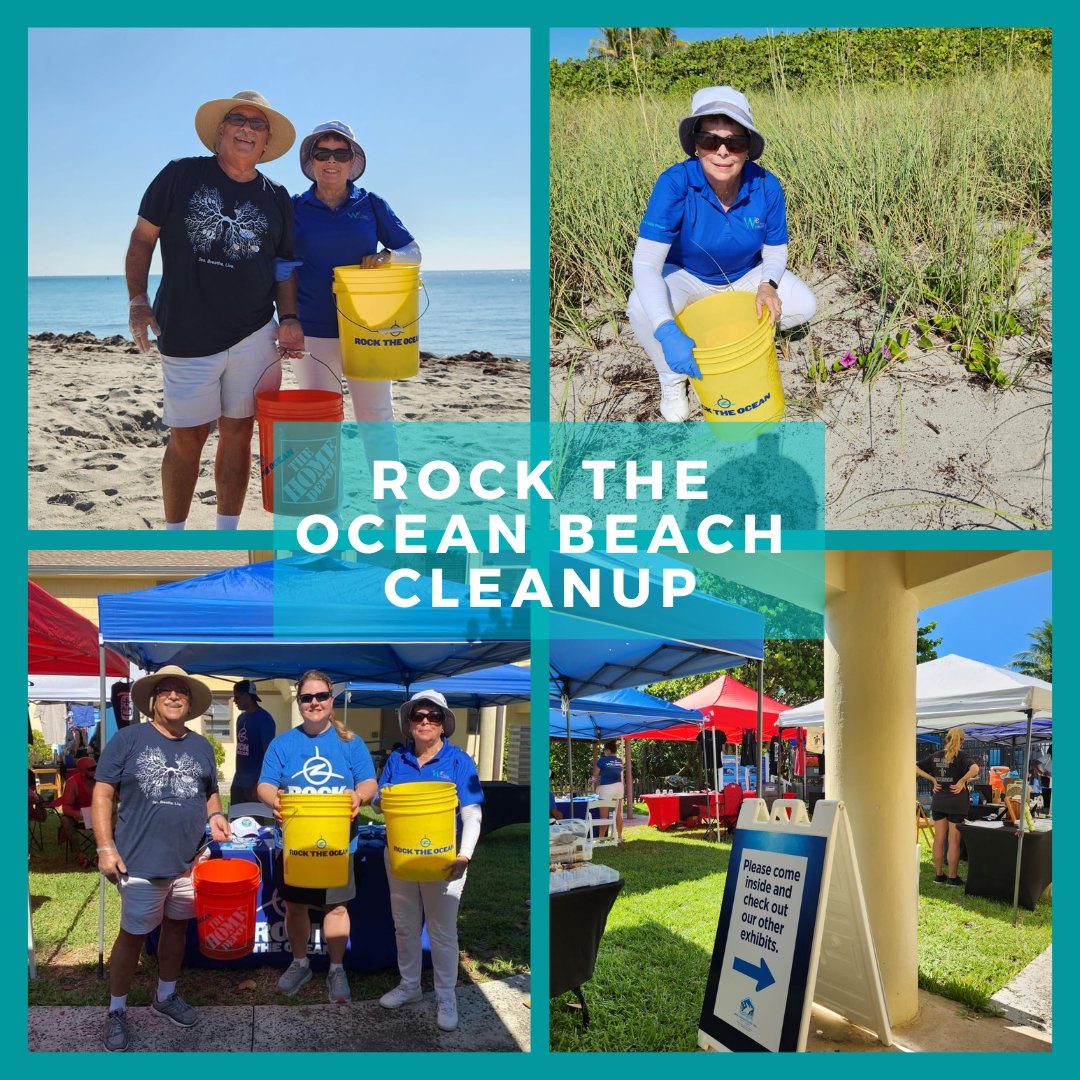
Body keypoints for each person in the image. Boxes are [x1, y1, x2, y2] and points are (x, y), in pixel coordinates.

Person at [125, 90, 303, 530]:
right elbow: (142, 240)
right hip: (186, 328)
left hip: (255, 333)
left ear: (265, 143)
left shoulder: (277, 196)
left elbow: (283, 266)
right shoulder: (180, 175)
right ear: (221, 130)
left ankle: (226, 536)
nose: (247, 128)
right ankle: (174, 538)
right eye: (238, 119)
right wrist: (137, 302)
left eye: (257, 124)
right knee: (187, 437)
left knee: (240, 432)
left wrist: (291, 319)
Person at [627, 86, 817, 422]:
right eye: (710, 140)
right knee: (641, 306)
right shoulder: (674, 183)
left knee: (803, 305)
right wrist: (666, 330)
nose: (723, 151)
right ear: (696, 146)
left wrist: (767, 284)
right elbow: (645, 263)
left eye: (736, 142)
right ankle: (671, 377)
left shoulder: (766, 185)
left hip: (746, 275)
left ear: (748, 150)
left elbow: (775, 249)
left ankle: (738, 341)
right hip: (689, 277)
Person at [92, 666, 230, 1052]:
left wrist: (216, 815)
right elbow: (103, 793)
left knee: (175, 929)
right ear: (153, 700)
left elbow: (210, 793)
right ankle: (117, 1010)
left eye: (181, 691)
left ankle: (165, 996)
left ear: (190, 702)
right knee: (133, 937)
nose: (174, 696)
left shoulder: (201, 746)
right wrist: (105, 846)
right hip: (139, 861)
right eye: (165, 690)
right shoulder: (128, 739)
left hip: (189, 860)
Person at [288, 121, 419, 493]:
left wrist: (387, 257)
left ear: (353, 161)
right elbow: (277, 266)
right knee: (319, 423)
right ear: (310, 161)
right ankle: (326, 513)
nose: (331, 161)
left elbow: (414, 253)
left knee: (376, 418)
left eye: (340, 154)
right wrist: (285, 320)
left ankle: (391, 512)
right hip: (314, 329)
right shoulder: (294, 208)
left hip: (368, 329)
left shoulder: (371, 204)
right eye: (322, 153)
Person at [257, 671, 377, 1004]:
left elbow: (369, 782)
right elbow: (264, 784)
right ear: (299, 701)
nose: (314, 703)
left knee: (336, 908)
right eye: (307, 697)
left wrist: (359, 797)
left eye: (321, 696)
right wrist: (273, 800)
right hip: (294, 845)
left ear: (331, 700)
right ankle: (300, 963)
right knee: (295, 906)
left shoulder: (350, 742)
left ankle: (336, 969)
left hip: (338, 846)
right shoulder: (283, 743)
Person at [377, 691, 483, 1032]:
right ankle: (410, 986)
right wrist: (381, 798)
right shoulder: (398, 760)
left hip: (444, 862)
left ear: (444, 724)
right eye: (418, 716)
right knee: (404, 925)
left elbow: (471, 813)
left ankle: (445, 995)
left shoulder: (458, 761)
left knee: (442, 930)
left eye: (433, 716)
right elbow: (380, 803)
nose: (425, 721)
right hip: (401, 859)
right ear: (409, 723)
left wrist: (464, 855)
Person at [915, 727, 980, 887]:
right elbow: (975, 769)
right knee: (953, 841)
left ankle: (938, 875)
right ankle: (952, 877)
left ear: (946, 739)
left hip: (939, 802)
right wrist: (961, 781)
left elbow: (915, 767)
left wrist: (933, 779)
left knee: (938, 839)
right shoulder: (963, 757)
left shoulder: (935, 756)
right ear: (962, 741)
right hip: (956, 804)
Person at [230, 679, 277, 805]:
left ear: (247, 696)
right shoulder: (241, 718)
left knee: (256, 822)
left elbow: (269, 754)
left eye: (237, 696)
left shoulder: (265, 719)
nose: (234, 700)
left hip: (254, 783)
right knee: (235, 821)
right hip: (238, 781)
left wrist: (259, 783)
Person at [60, 756, 97, 862]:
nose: (95, 770)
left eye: (96, 767)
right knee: (65, 820)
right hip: (79, 818)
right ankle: (79, 854)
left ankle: (102, 853)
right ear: (82, 773)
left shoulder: (102, 780)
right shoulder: (73, 782)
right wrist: (76, 813)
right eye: (91, 769)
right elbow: (65, 807)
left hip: (99, 816)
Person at [591, 740, 625, 840]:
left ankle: (601, 839)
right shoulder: (620, 761)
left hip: (606, 788)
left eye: (605, 750)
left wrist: (591, 780)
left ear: (608, 750)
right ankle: (619, 836)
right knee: (618, 813)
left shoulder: (602, 760)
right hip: (619, 787)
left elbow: (595, 777)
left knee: (604, 816)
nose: (604, 752)